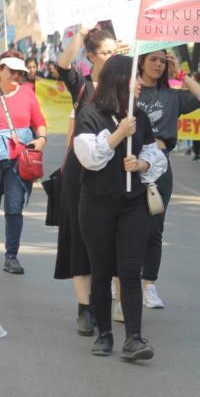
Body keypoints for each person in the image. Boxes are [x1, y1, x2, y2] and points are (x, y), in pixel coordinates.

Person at [74, 54, 167, 360]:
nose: (140, 82)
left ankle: (135, 338)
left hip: (133, 205)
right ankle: (104, 334)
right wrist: (118, 135)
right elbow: (88, 157)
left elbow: (156, 158)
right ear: (120, 80)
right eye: (135, 77)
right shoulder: (90, 114)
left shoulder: (140, 115)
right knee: (101, 271)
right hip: (97, 204)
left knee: (129, 270)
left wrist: (141, 163)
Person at [54, 24, 117, 335]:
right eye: (107, 52)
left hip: (114, 174)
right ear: (92, 56)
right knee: (79, 238)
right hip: (79, 175)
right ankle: (85, 308)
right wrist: (77, 36)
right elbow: (63, 66)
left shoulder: (127, 86)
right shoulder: (82, 87)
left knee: (110, 239)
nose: (112, 56)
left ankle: (108, 300)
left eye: (116, 51)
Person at [136, 50, 200, 309]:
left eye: (162, 61)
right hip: (130, 162)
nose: (157, 65)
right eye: (153, 60)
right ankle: (117, 278)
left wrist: (181, 74)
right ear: (141, 62)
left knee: (155, 226)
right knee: (124, 223)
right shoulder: (130, 91)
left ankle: (149, 284)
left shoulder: (171, 95)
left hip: (160, 162)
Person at [0, 51, 47, 275]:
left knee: (14, 208)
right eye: (12, 71)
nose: (17, 76)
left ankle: (11, 256)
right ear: (1, 69)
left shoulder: (27, 93)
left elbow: (39, 122)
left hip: (18, 160)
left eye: (20, 73)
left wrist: (41, 139)